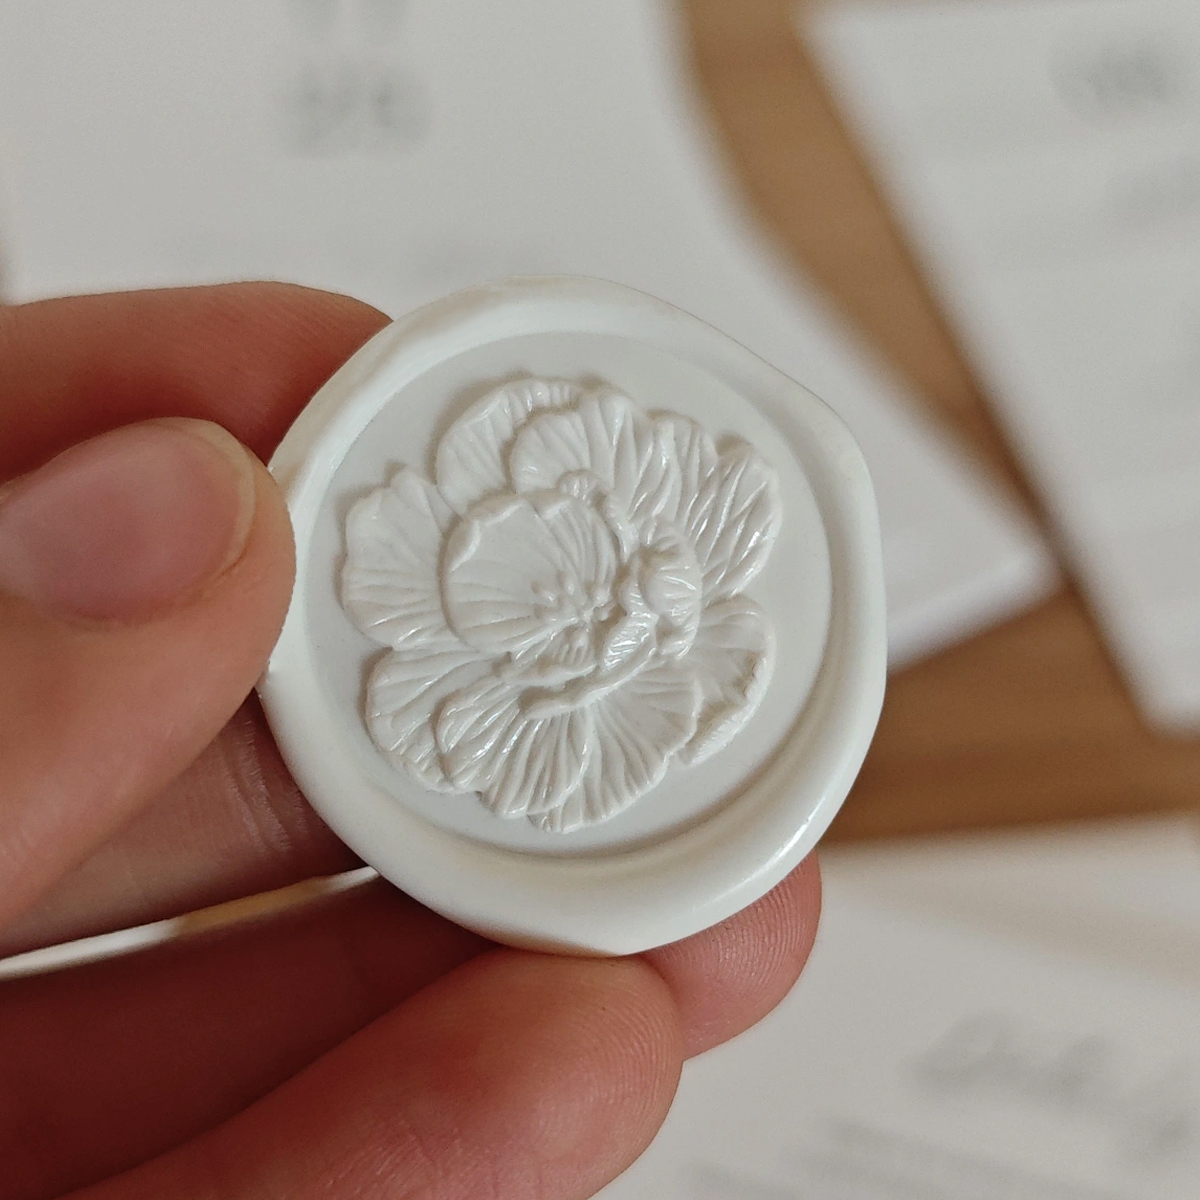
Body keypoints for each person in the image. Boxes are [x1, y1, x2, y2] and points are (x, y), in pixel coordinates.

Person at [0, 283, 821, 1200]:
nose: (593, 603)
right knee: (553, 1059)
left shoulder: (693, 602)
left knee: (566, 1049)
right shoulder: (428, 598)